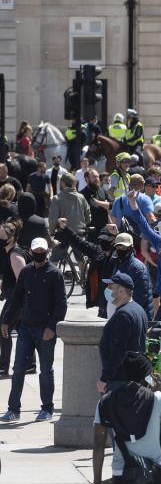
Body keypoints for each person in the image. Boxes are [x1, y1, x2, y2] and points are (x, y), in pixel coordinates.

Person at [0, 237, 67, 421]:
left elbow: (61, 304)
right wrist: (6, 321)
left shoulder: (55, 274)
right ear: (31, 251)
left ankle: (47, 408)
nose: (39, 254)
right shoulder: (26, 272)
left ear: (46, 252)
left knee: (46, 370)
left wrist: (52, 327)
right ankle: (13, 409)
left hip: (45, 330)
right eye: (36, 251)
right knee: (19, 368)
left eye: (42, 251)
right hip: (26, 329)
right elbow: (16, 299)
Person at [92, 352, 161, 484]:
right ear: (146, 376)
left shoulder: (105, 401)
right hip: (153, 473)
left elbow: (98, 444)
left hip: (121, 475)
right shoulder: (157, 398)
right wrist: (160, 392)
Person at [96, 272, 149, 394]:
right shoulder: (139, 309)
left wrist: (105, 378)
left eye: (110, 287)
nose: (107, 290)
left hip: (120, 379)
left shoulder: (123, 315)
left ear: (121, 291)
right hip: (132, 375)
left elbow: (118, 350)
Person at [0, 221, 28, 377]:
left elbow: (22, 280)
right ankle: (30, 364)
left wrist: (15, 303)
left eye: (2, 235)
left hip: (16, 300)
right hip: (14, 298)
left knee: (3, 328)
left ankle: (3, 365)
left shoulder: (15, 254)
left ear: (11, 238)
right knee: (25, 330)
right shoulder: (8, 252)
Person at [80, 168, 112, 236]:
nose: (97, 179)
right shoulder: (82, 194)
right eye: (94, 177)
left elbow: (113, 204)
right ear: (87, 179)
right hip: (91, 231)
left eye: (97, 176)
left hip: (105, 229)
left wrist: (99, 203)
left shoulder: (102, 191)